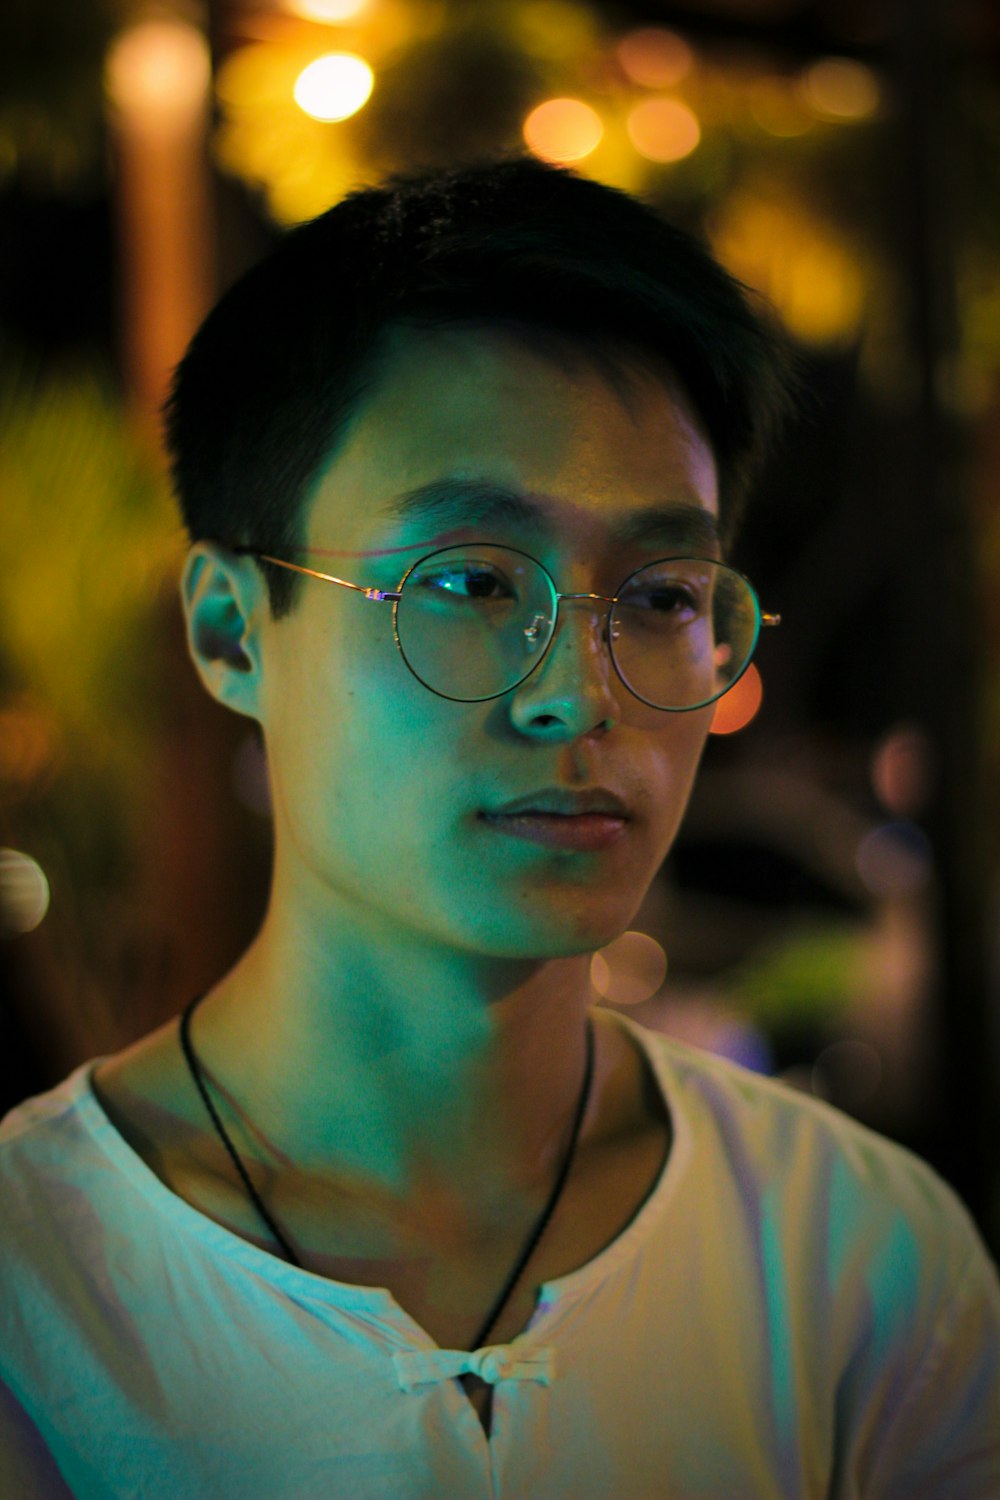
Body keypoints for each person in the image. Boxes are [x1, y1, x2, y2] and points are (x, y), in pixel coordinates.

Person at [1, 155, 997, 1499]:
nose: (578, 692)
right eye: (467, 578)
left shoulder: (856, 1259)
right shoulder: (40, 1285)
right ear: (233, 629)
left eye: (661, 591)